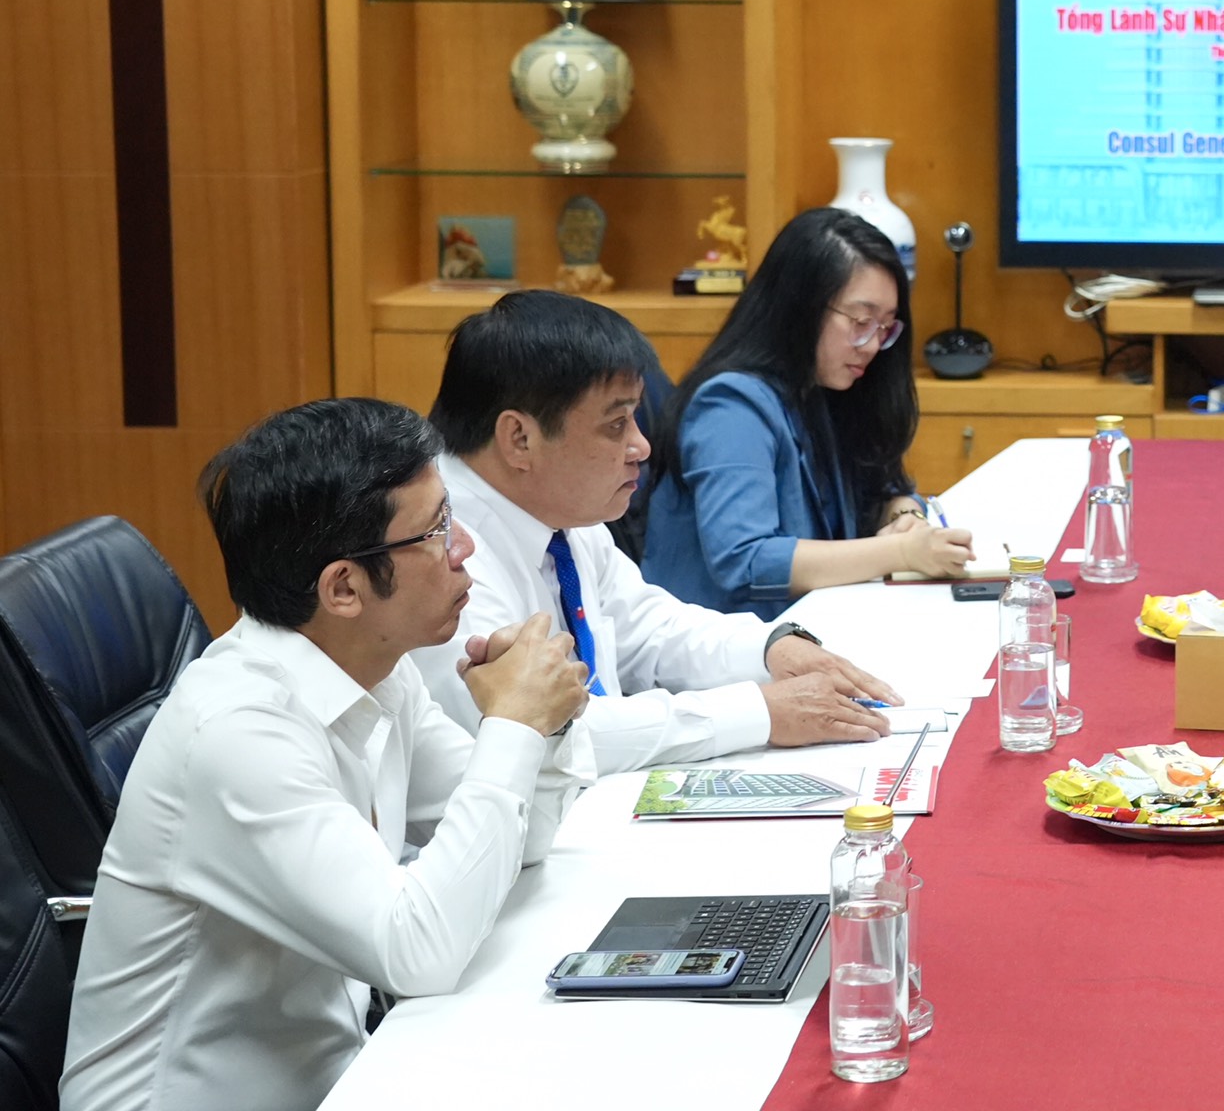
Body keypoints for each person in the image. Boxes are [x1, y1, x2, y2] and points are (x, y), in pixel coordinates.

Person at [60, 399, 593, 1111]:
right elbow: (419, 952)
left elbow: (520, 844)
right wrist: (515, 725)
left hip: (343, 1077)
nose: (464, 547)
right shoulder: (238, 733)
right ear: (344, 587)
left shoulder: (375, 667)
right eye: (435, 531)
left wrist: (543, 725)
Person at [417, 288, 906, 773]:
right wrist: (760, 712)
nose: (641, 446)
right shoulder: (436, 550)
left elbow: (649, 629)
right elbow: (539, 735)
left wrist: (771, 648)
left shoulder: (554, 510)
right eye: (616, 424)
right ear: (519, 438)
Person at [644, 207, 973, 617]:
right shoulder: (730, 406)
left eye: (886, 326)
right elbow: (745, 560)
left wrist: (903, 513)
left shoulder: (830, 386)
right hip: (725, 655)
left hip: (809, 631)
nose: (872, 344)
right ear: (800, 309)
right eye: (861, 320)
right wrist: (901, 551)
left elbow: (883, 487)